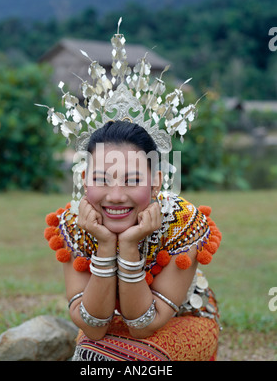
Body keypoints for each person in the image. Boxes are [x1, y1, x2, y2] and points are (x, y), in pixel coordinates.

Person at [42, 20, 222, 361]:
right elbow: (93, 327)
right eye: (102, 178)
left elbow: (145, 324)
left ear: (156, 181)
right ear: (83, 178)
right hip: (109, 326)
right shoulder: (73, 223)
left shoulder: (183, 222)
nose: (115, 195)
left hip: (180, 321)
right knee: (91, 355)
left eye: (132, 179)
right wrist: (108, 243)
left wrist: (130, 245)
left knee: (134, 360)